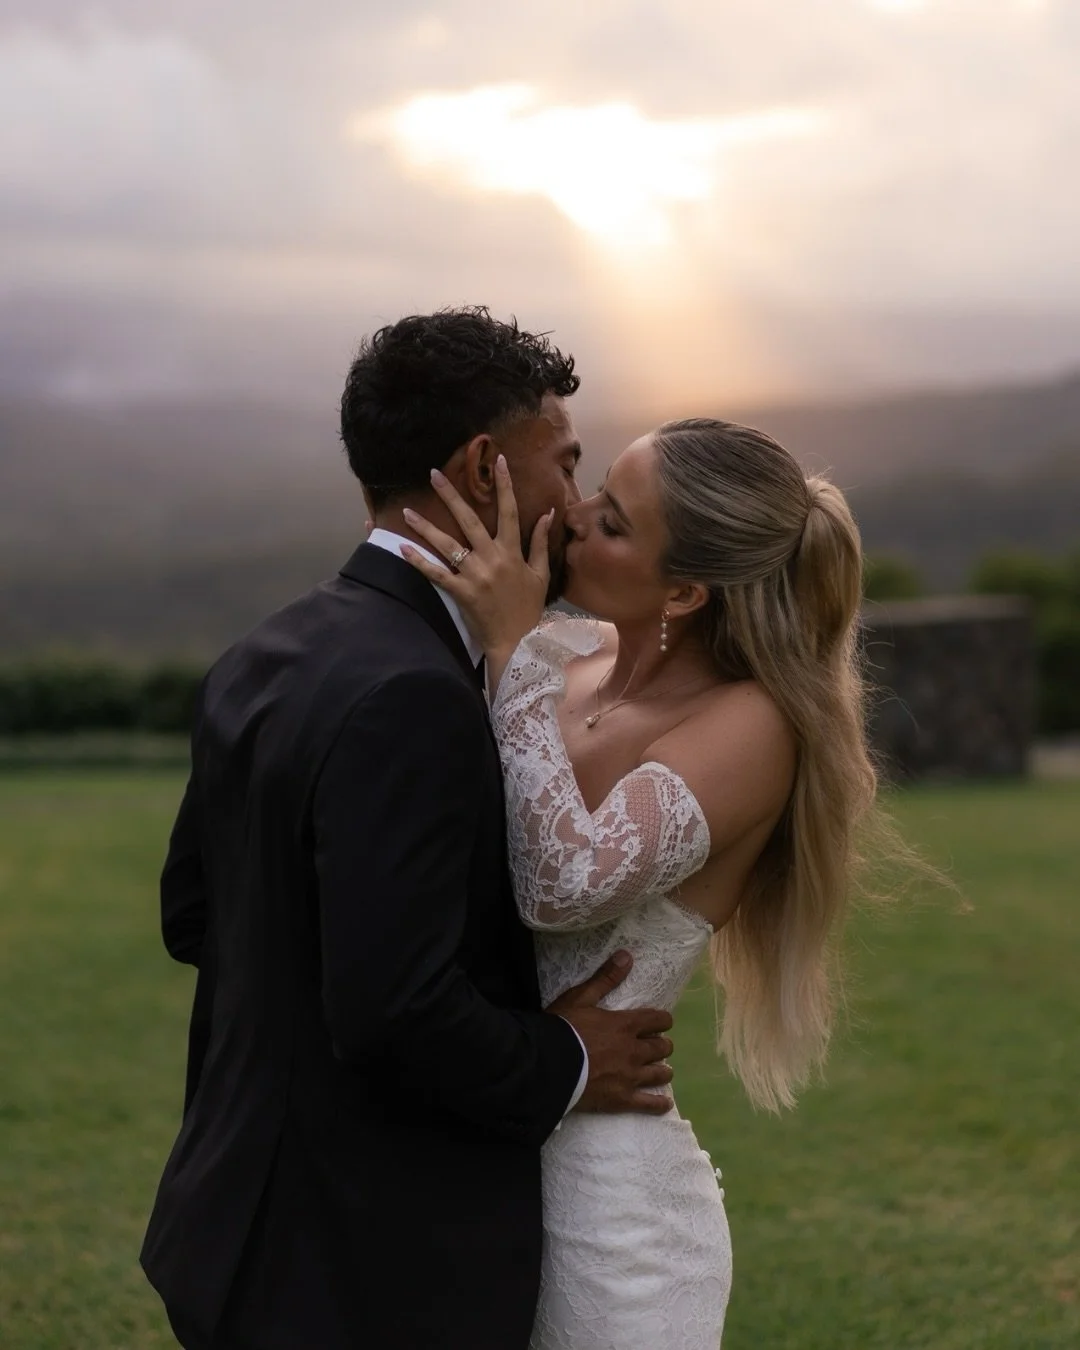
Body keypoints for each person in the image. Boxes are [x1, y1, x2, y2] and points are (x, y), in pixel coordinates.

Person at [140, 308, 679, 1350]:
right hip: (356, 1267)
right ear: (483, 468)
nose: (576, 506)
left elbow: (194, 915)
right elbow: (394, 1009)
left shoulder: (268, 650)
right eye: (566, 464)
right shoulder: (416, 695)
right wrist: (569, 1056)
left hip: (231, 1220)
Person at [400, 415, 880, 1349]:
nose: (573, 518)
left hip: (610, 1219)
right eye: (596, 493)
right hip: (477, 1160)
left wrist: (510, 652)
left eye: (613, 523)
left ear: (687, 591)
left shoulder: (752, 725)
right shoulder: (565, 656)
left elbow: (560, 883)